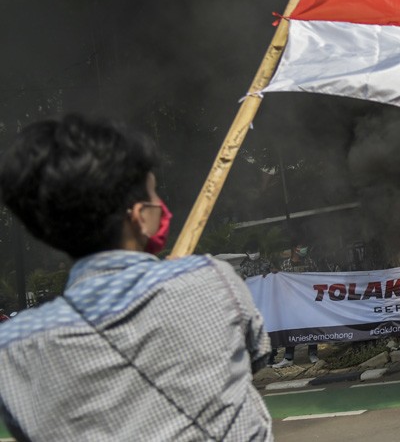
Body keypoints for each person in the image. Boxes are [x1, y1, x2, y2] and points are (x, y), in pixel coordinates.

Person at [0, 115, 273, 440]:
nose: (161, 206)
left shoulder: (14, 348)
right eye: (153, 194)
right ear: (140, 217)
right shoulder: (214, 280)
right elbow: (257, 355)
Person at [270, 244, 319, 368]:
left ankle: (313, 354)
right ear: (294, 249)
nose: (304, 249)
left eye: (304, 246)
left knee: (310, 327)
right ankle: (288, 357)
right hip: (291, 303)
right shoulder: (285, 265)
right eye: (301, 246)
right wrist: (276, 274)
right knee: (291, 328)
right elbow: (280, 281)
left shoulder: (310, 262)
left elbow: (316, 278)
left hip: (307, 301)